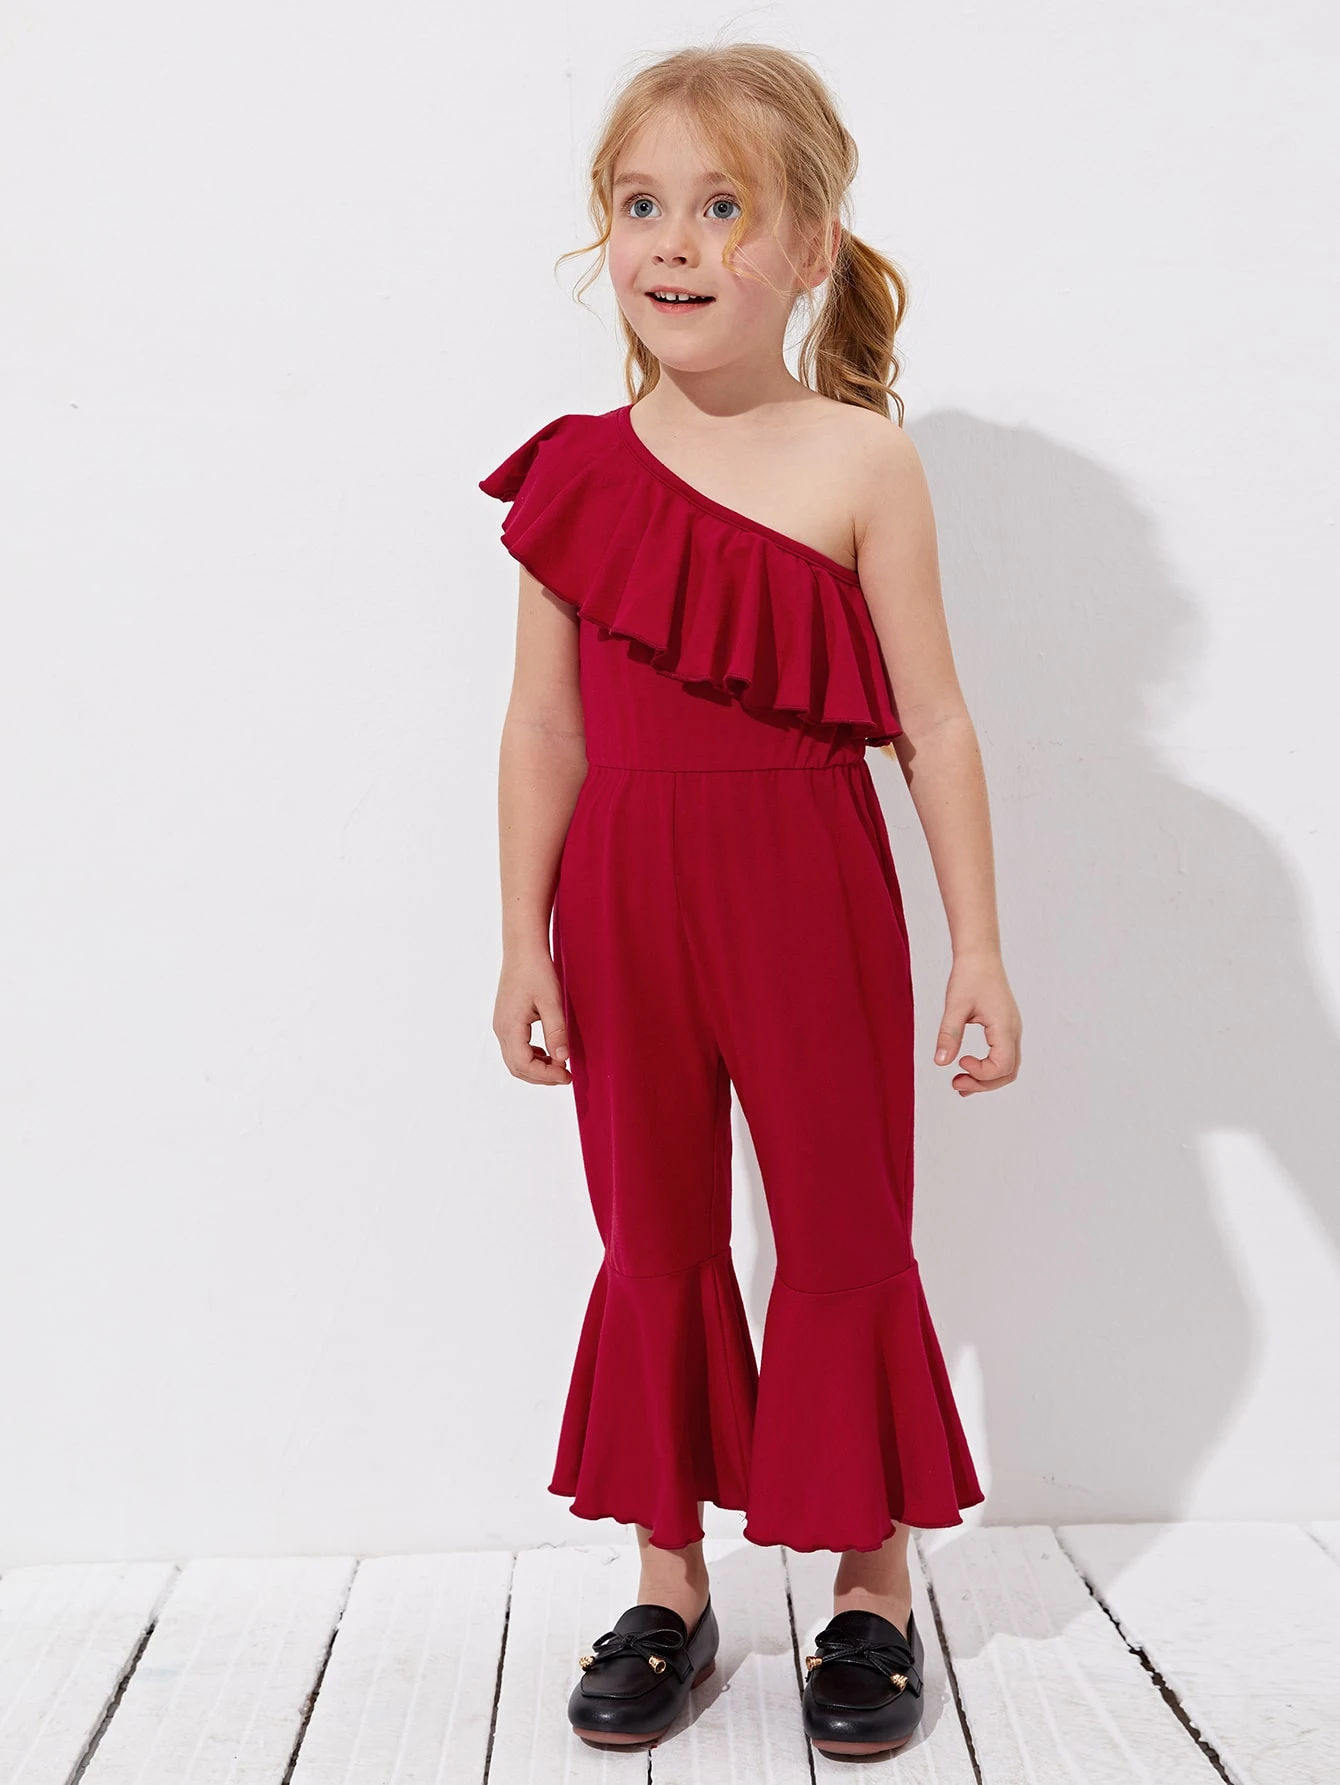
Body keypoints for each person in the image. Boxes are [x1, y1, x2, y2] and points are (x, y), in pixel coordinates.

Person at [482, 39, 1022, 1759]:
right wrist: (520, 940)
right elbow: (544, 727)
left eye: (724, 206)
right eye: (643, 204)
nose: (677, 241)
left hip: (811, 896)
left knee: (846, 1235)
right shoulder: (574, 470)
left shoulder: (861, 461)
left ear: (809, 245)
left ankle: (871, 1587)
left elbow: (934, 724)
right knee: (652, 1237)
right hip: (621, 908)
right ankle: (670, 1579)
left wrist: (980, 948)